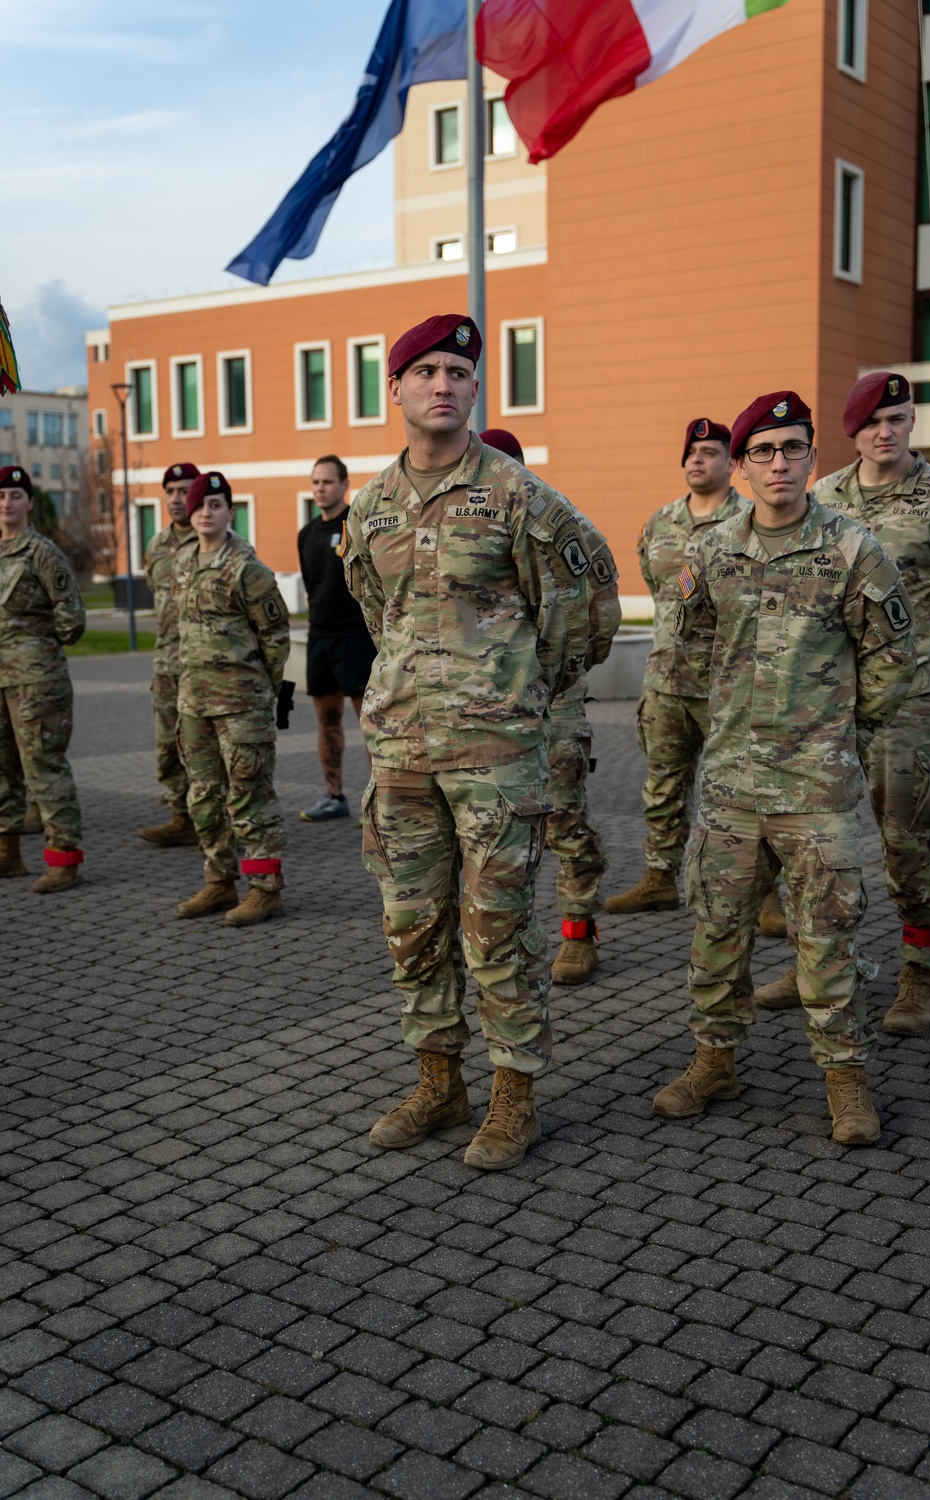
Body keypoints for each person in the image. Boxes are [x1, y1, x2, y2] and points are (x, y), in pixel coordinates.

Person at [345, 314, 609, 1171]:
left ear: (474, 388)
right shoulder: (371, 506)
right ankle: (437, 1080)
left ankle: (513, 1095)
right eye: (425, 372)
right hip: (402, 755)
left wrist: (522, 689)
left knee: (496, 928)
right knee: (412, 924)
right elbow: (375, 614)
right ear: (395, 391)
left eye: (459, 371)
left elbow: (587, 606)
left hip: (496, 758)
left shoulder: (519, 496)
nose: (442, 385)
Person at [652, 393, 917, 1145]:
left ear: (811, 457)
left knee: (828, 937)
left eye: (792, 449)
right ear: (741, 466)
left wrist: (838, 734)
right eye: (763, 451)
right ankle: (714, 1063)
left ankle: (846, 1082)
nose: (778, 463)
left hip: (816, 788)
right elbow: (685, 651)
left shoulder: (852, 547)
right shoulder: (710, 551)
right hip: (732, 787)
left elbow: (893, 658)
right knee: (717, 933)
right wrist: (725, 729)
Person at [788, 372, 930, 1036]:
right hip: (830, 698)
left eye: (899, 418)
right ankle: (823, 965)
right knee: (814, 840)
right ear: (854, 429)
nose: (888, 431)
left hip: (907, 700)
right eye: (875, 421)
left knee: (909, 840)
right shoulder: (823, 496)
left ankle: (918, 973)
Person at [478, 428, 621, 985]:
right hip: (487, 701)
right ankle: (506, 934)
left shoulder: (565, 524)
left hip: (552, 697)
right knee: (492, 823)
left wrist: (562, 675)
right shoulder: (465, 522)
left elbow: (603, 611)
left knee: (562, 813)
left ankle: (579, 931)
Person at [606, 420, 748, 915]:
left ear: (732, 464)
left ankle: (763, 891)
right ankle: (660, 877)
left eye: (709, 451)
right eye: (691, 451)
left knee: (743, 789)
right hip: (666, 681)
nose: (696, 459)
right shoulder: (658, 523)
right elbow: (657, 589)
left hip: (729, 685)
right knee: (663, 785)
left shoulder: (752, 521)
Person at [174, 471, 290, 926]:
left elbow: (276, 638)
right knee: (202, 797)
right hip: (194, 704)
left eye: (217, 505)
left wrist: (263, 691)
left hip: (242, 706)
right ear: (191, 512)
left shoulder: (247, 568)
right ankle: (219, 881)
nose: (207, 512)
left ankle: (265, 888)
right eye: (201, 505)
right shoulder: (183, 562)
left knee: (249, 797)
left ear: (230, 513)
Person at [0, 464, 86, 892]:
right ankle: (8, 854)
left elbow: (72, 619)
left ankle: (64, 860)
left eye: (16, 496)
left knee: (44, 770)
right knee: (2, 770)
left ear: (30, 503)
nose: (7, 503)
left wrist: (35, 647)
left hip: (37, 682)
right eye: (0, 496)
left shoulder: (43, 553)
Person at [297, 455, 376, 821]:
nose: (320, 489)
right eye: (315, 482)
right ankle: (334, 796)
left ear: (344, 485)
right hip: (320, 639)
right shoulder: (307, 534)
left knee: (370, 722)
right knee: (327, 720)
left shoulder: (355, 526)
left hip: (355, 638)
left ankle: (381, 800)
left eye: (327, 482)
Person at [136, 462, 201, 846]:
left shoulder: (213, 539)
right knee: (167, 745)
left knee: (205, 747)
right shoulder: (157, 546)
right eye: (171, 491)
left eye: (184, 490)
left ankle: (217, 819)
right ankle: (181, 816)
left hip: (205, 666)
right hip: (166, 665)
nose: (177, 499)